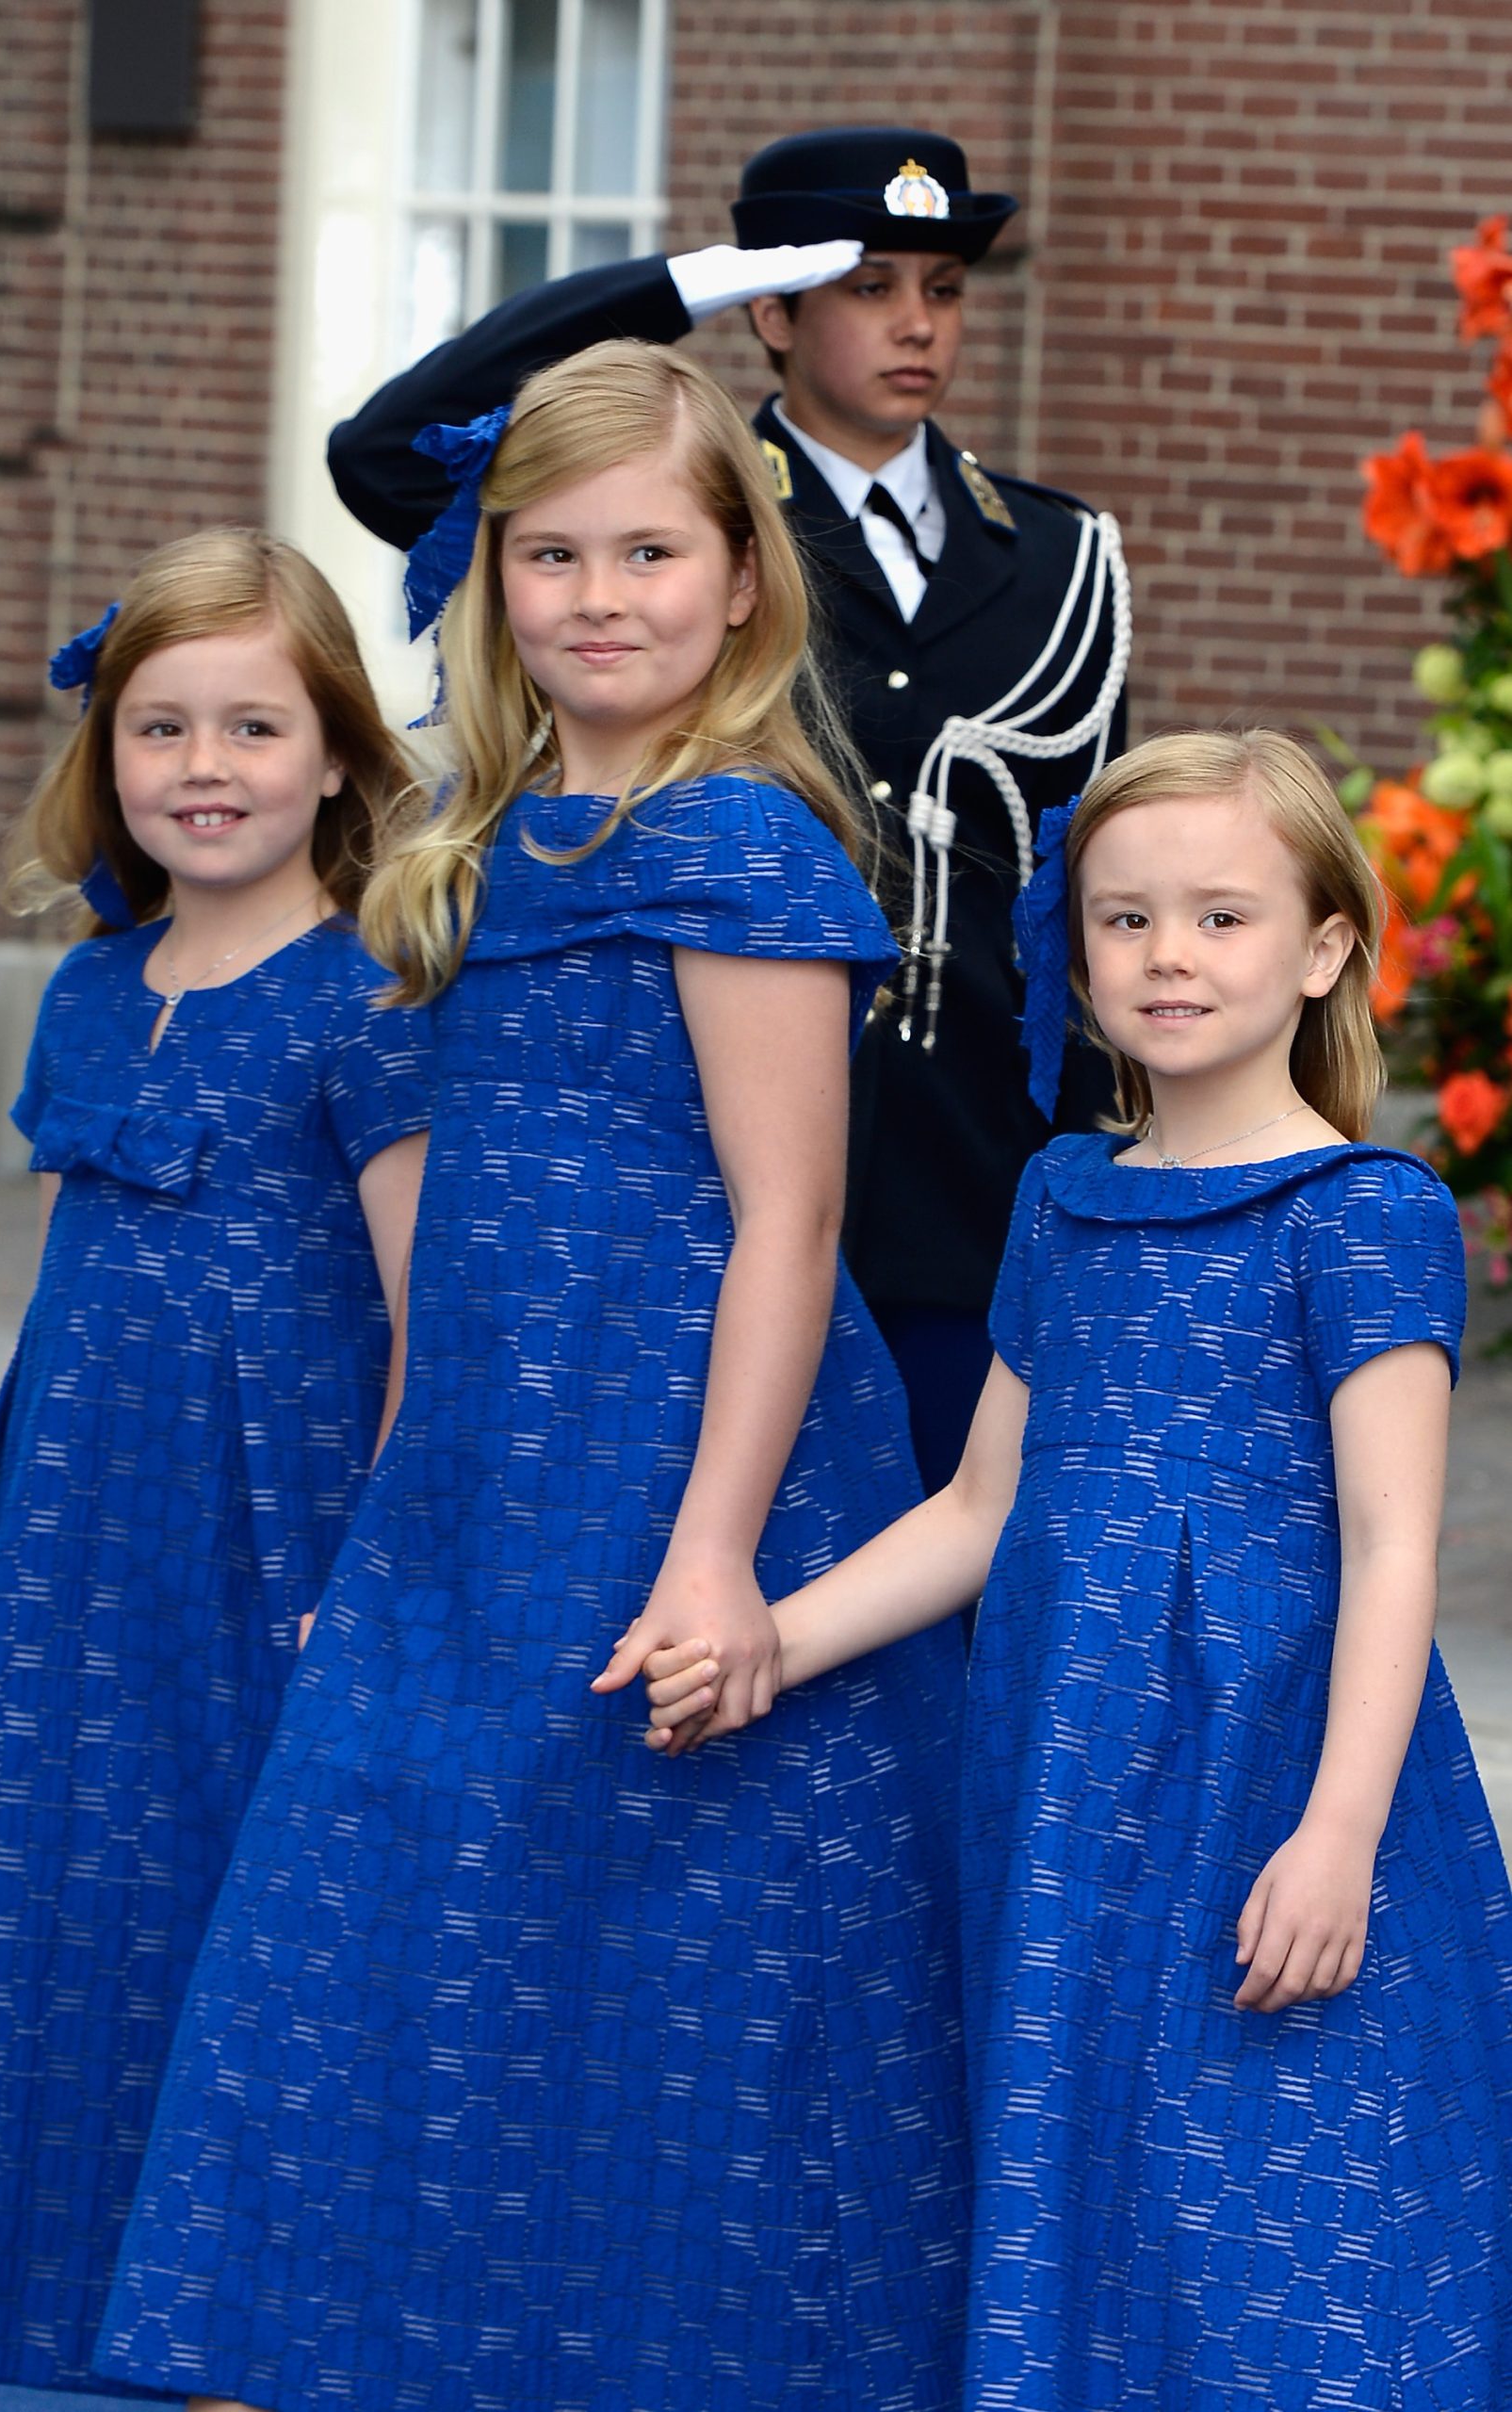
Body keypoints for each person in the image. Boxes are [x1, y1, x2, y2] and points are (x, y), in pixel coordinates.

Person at [94, 343, 970, 2412]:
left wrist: (719, 1552)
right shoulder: (493, 831)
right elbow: (448, 1247)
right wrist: (388, 1505)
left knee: (660, 1955)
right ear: (491, 582)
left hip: (686, 1461)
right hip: (477, 1469)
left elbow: (791, 1219)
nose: (598, 594)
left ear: (745, 578)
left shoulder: (742, 845)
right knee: (359, 1919)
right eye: (548, 552)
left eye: (652, 549)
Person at [636, 729, 1512, 2407]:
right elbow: (978, 1513)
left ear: (1327, 946)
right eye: (1125, 921)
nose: (1168, 957)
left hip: (1262, 1782)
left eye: (1222, 918)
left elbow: (1399, 1547)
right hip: (1065, 1788)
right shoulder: (1062, 1197)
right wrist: (765, 1639)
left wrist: (1336, 1838)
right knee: (1087, 2155)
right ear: (1074, 953)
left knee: (1267, 2185)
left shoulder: (1364, 1214)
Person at [326, 122, 1131, 1492]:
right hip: (694, 1193)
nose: (916, 322)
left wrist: (1112, 1159)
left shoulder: (1060, 555)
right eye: (869, 284)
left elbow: (1084, 891)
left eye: (941, 288)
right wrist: (682, 282)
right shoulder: (677, 526)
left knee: (939, 1617)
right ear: (774, 308)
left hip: (964, 1177)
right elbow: (388, 451)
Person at [0, 528, 436, 2396]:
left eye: (253, 725)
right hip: (66, 1520)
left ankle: (209, 2313)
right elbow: (83, 1289)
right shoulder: (85, 986)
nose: (205, 767)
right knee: (5, 1855)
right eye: (162, 727)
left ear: (339, 755)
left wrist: (367, 1576)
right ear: (109, 757)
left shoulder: (372, 998)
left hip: (264, 1520)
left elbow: (412, 1319)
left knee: (217, 1886)